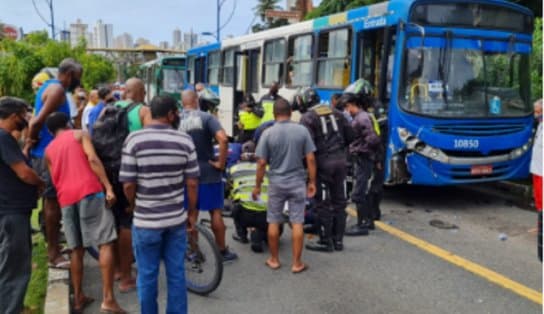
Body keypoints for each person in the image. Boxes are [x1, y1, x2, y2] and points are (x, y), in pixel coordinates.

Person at [120, 95, 199, 314]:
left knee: (147, 275)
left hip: (145, 221)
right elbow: (192, 183)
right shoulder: (184, 140)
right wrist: (191, 213)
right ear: (171, 114)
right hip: (175, 220)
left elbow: (128, 184)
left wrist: (136, 205)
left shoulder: (134, 140)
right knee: (176, 274)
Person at [44, 112, 125, 314]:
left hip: (66, 198)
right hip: (89, 191)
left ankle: (78, 297)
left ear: (49, 131)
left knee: (76, 249)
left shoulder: (48, 150)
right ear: (67, 123)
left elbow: (55, 179)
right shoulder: (79, 135)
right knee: (105, 241)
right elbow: (93, 159)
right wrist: (108, 187)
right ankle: (108, 299)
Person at [24, 58, 82, 269]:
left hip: (52, 153)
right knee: (52, 204)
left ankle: (55, 245)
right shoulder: (57, 90)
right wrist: (30, 142)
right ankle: (53, 254)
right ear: (68, 74)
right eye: (77, 78)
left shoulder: (52, 88)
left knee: (54, 202)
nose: (78, 82)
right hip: (49, 155)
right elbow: (37, 121)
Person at [95, 78, 150, 292]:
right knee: (128, 221)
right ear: (142, 92)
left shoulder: (106, 109)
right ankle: (126, 277)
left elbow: (95, 137)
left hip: (107, 174)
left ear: (125, 92)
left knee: (114, 220)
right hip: (129, 173)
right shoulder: (143, 111)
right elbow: (149, 143)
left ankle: (117, 269)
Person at [252, 98, 317, 273]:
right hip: (297, 183)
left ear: (274, 114)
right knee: (297, 222)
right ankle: (297, 263)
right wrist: (312, 182)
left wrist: (257, 186)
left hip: (276, 184)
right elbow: (310, 158)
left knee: (273, 220)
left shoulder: (268, 133)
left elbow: (261, 163)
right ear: (290, 113)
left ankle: (274, 259)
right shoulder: (302, 131)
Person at [179, 90, 238, 262]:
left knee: (191, 214)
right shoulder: (207, 118)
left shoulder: (176, 120)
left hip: (187, 173)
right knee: (215, 213)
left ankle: (195, 252)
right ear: (196, 101)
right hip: (209, 171)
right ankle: (222, 251)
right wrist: (220, 163)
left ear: (182, 103)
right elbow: (224, 139)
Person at [0, 97, 44, 314]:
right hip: (11, 211)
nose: (26, 119)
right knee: (15, 267)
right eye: (24, 114)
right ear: (13, 115)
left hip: (10, 209)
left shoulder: (7, 139)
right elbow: (24, 173)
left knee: (9, 262)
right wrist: (40, 182)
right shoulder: (2, 137)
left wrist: (26, 146)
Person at [299, 88, 354, 252]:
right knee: (339, 202)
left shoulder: (307, 117)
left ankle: (325, 241)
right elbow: (351, 135)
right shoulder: (337, 112)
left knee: (322, 202)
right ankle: (338, 241)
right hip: (341, 161)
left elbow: (306, 147)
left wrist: (308, 172)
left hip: (322, 163)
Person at [342, 93, 382, 236]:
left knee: (359, 192)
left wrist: (362, 150)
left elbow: (373, 140)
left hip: (363, 158)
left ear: (353, 105)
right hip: (363, 158)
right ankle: (368, 222)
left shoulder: (362, 118)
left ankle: (362, 225)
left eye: (347, 107)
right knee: (362, 190)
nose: (347, 110)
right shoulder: (361, 117)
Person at [531, 99, 543, 261]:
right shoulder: (540, 126)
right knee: (539, 203)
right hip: (537, 170)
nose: (536, 115)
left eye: (539, 112)